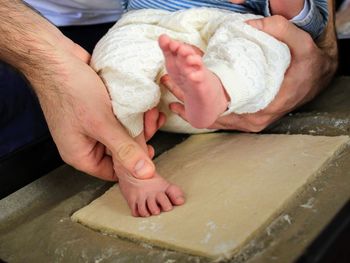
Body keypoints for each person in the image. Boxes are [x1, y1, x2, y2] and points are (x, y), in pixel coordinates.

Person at [0, 0, 337, 217]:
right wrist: (45, 60)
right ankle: (133, 167)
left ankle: (215, 90)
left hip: (229, 28)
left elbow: (312, 25)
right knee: (117, 58)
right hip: (149, 26)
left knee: (262, 48)